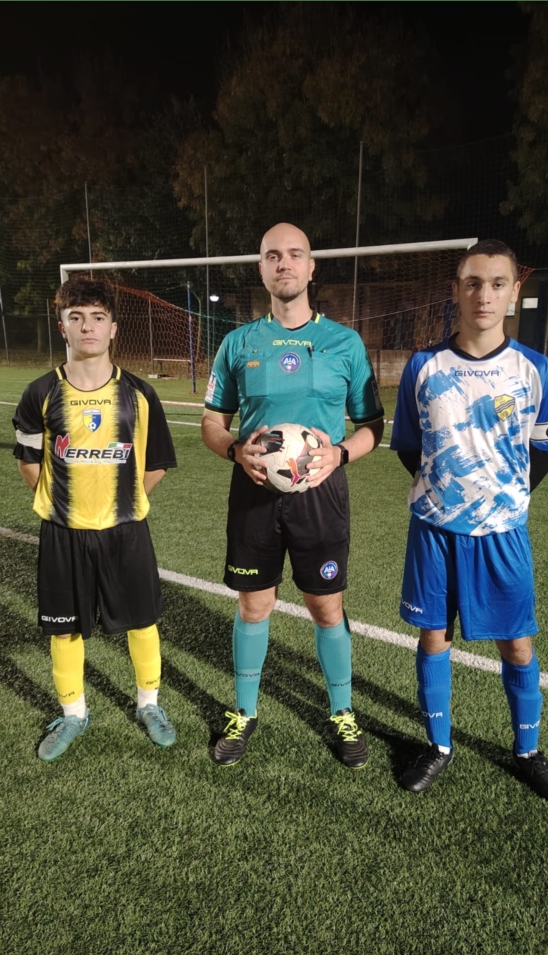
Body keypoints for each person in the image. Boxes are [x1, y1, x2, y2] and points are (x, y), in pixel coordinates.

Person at [390, 239, 548, 804]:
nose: (484, 295)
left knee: (517, 645)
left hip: (503, 533)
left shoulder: (536, 370)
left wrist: (499, 501)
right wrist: (450, 495)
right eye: (472, 283)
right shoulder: (423, 367)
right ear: (456, 291)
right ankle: (438, 745)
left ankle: (528, 752)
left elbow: (543, 452)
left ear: (514, 292)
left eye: (497, 284)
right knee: (433, 636)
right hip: (434, 530)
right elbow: (409, 446)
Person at [201, 222, 385, 767]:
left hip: (320, 496)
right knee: (254, 604)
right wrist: (235, 451)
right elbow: (212, 422)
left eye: (295, 254)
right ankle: (244, 711)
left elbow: (372, 425)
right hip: (254, 492)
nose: (284, 264)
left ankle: (342, 712)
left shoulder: (344, 343)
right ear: (261, 268)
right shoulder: (238, 343)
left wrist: (340, 454)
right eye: (273, 256)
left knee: (326, 607)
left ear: (311, 266)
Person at [13, 277, 177, 761]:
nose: (88, 326)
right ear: (62, 326)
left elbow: (156, 464)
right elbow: (29, 462)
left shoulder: (140, 394)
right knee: (64, 628)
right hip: (63, 534)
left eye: (98, 318)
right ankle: (73, 713)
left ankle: (149, 705)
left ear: (113, 328)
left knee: (142, 621)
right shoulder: (40, 392)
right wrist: (65, 505)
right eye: (77, 317)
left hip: (125, 531)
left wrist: (120, 502)